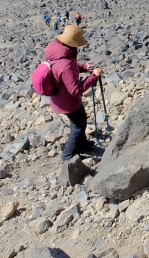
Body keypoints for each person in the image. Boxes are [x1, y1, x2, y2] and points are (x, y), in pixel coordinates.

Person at [32, 23, 104, 159]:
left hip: (59, 99)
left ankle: (82, 144)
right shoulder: (65, 64)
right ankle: (68, 156)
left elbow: (69, 67)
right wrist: (94, 76)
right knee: (78, 125)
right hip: (68, 103)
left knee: (79, 121)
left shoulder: (57, 52)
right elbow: (75, 90)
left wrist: (85, 67)